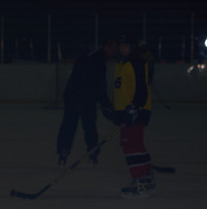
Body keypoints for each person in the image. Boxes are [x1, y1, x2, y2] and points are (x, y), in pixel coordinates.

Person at [56, 38, 117, 166]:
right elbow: (100, 85)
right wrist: (106, 105)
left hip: (77, 96)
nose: (114, 52)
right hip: (81, 97)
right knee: (84, 125)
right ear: (107, 46)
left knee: (72, 124)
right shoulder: (98, 59)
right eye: (113, 48)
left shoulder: (91, 55)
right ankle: (90, 150)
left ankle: (65, 151)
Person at [113, 34, 154, 197]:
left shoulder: (135, 63)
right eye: (121, 45)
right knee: (129, 144)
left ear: (132, 47)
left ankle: (141, 182)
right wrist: (117, 112)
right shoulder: (121, 64)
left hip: (136, 111)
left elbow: (141, 89)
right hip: (126, 111)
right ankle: (146, 178)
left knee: (132, 146)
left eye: (126, 45)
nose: (123, 48)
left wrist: (134, 108)